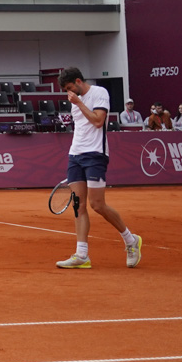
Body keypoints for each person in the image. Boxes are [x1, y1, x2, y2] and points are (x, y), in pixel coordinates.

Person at [55, 67, 142, 270]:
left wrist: (79, 103)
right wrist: (76, 104)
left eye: (70, 87)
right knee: (79, 206)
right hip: (75, 155)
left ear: (78, 81)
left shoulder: (99, 93)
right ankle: (82, 255)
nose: (69, 92)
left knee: (97, 205)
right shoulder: (74, 102)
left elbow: (97, 121)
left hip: (95, 155)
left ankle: (131, 240)